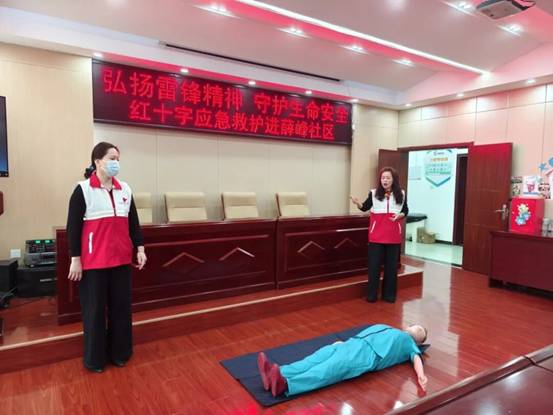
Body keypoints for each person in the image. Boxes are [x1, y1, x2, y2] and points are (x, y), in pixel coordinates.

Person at [66, 141, 146, 373]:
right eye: (112, 159)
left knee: (121, 309)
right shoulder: (83, 190)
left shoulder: (125, 189)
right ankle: (95, 359)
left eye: (118, 159)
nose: (116, 163)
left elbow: (133, 223)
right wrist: (75, 259)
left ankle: (121, 353)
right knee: (95, 311)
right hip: (94, 263)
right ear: (98, 161)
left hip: (121, 261)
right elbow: (73, 228)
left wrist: (140, 248)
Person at [257, 324, 428, 397]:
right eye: (418, 326)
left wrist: (421, 375)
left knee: (327, 369)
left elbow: (416, 358)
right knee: (313, 360)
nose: (418, 329)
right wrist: (344, 343)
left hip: (365, 356)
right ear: (409, 325)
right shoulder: (389, 327)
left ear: (419, 342)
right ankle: (277, 373)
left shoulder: (409, 343)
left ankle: (287, 385)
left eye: (421, 331)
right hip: (350, 344)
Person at [350, 167, 408, 302]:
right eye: (383, 178)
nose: (385, 180)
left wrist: (401, 215)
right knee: (374, 267)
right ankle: (371, 295)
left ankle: (389, 295)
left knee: (391, 268)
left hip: (393, 237)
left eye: (387, 178)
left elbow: (406, 209)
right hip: (376, 237)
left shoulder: (401, 194)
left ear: (393, 180)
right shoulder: (374, 193)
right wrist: (358, 203)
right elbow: (365, 207)